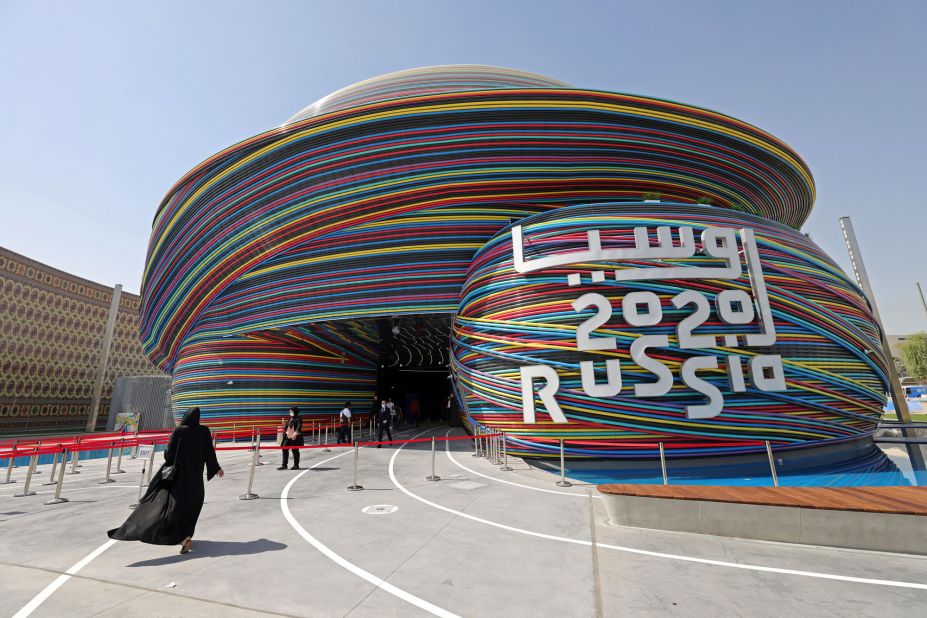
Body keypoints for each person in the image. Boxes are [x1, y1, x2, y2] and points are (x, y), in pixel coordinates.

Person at [108, 407, 223, 554]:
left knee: (176, 507)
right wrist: (216, 468)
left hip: (179, 478)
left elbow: (169, 455)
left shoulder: (179, 431)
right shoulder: (204, 431)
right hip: (195, 478)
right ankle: (186, 535)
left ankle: (180, 537)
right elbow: (209, 453)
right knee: (193, 505)